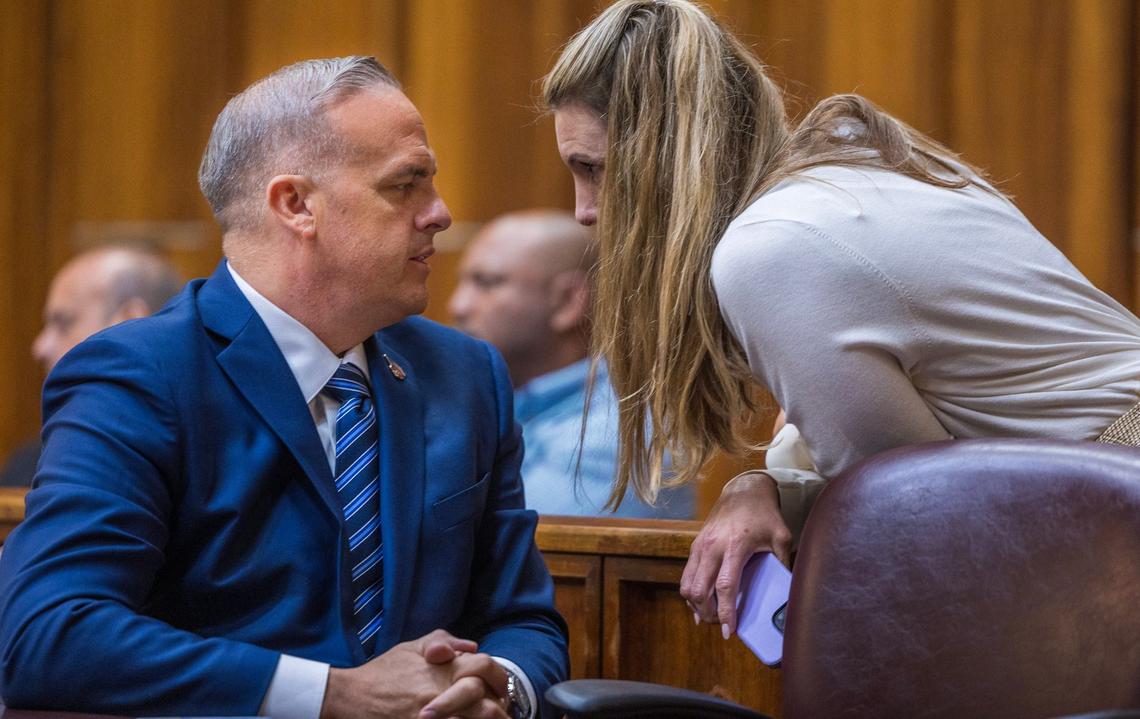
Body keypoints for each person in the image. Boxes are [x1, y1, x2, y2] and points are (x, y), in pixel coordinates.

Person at [541, 0, 1140, 640]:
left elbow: (916, 515)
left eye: (595, 170)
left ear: (666, 152)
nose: (583, 211)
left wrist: (771, 486)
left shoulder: (775, 248)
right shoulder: (851, 175)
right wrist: (762, 483)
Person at [0, 56, 567, 719]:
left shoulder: (466, 375)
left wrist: (495, 685)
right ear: (296, 205)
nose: (440, 214)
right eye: (405, 185)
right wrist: (335, 694)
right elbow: (45, 633)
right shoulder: (140, 375)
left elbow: (524, 619)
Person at [448, 209, 693, 518]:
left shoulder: (624, 431)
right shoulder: (485, 398)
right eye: (463, 282)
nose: (458, 306)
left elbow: (508, 542)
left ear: (568, 301)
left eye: (487, 283)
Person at [0, 246, 183, 488]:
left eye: (63, 323)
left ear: (129, 322)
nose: (40, 347)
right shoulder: (27, 467)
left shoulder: (208, 459)